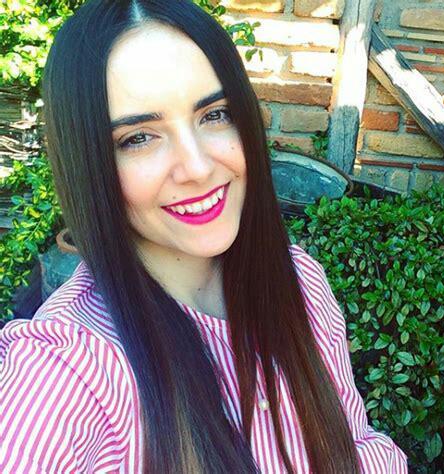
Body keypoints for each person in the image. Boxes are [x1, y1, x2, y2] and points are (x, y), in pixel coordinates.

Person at [0, 0, 408, 472]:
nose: (197, 167)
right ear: (88, 163)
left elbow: (356, 444)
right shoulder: (67, 370)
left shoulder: (299, 283)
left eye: (215, 114)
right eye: (138, 138)